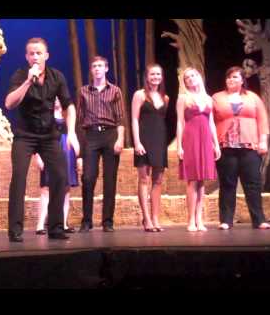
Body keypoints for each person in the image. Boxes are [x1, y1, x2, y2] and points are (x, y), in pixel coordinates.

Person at [5, 37, 79, 242]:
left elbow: (68, 105)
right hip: (25, 136)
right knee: (18, 178)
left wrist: (71, 132)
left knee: (60, 176)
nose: (35, 56)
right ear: (27, 57)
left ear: (46, 55)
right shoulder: (20, 75)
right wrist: (28, 81)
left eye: (39, 53)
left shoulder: (57, 77)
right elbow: (9, 103)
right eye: (31, 53)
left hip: (48, 135)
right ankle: (15, 230)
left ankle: (55, 227)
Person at [213, 66, 270, 230]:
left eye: (235, 77)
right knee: (227, 184)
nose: (231, 80)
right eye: (229, 77)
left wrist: (263, 140)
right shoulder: (217, 98)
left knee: (252, 184)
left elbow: (262, 120)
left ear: (242, 80)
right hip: (226, 147)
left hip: (249, 147)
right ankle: (226, 220)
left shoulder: (253, 97)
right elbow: (210, 122)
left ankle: (259, 219)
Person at [77, 56, 124, 233]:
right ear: (91, 70)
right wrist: (81, 147)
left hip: (110, 134)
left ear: (106, 69)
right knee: (88, 178)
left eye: (100, 66)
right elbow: (80, 119)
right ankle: (87, 220)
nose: (97, 69)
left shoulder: (115, 91)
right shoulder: (84, 91)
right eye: (94, 66)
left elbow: (120, 117)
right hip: (91, 135)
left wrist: (120, 139)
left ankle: (108, 221)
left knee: (110, 179)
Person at [176, 67, 220, 232]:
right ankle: (190, 221)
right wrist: (179, 145)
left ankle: (200, 219)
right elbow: (180, 122)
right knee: (193, 180)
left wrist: (215, 144)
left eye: (193, 75)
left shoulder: (208, 99)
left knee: (202, 181)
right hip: (191, 139)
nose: (190, 79)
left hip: (205, 139)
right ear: (185, 82)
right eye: (187, 78)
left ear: (199, 77)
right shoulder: (183, 98)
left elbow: (211, 123)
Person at [131, 64, 169, 232]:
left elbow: (161, 121)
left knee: (158, 180)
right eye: (152, 74)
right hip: (144, 139)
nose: (155, 77)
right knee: (144, 179)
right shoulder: (140, 95)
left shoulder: (165, 98)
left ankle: (155, 217)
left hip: (160, 140)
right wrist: (137, 142)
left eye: (158, 74)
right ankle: (146, 219)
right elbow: (134, 119)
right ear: (147, 77)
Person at [34, 98, 78, 235]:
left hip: (67, 152)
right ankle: (40, 224)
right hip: (49, 151)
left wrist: (78, 155)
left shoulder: (67, 114)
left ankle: (63, 223)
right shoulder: (44, 115)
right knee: (46, 188)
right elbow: (36, 136)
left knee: (66, 189)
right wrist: (38, 156)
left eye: (59, 97)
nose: (57, 100)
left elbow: (73, 134)